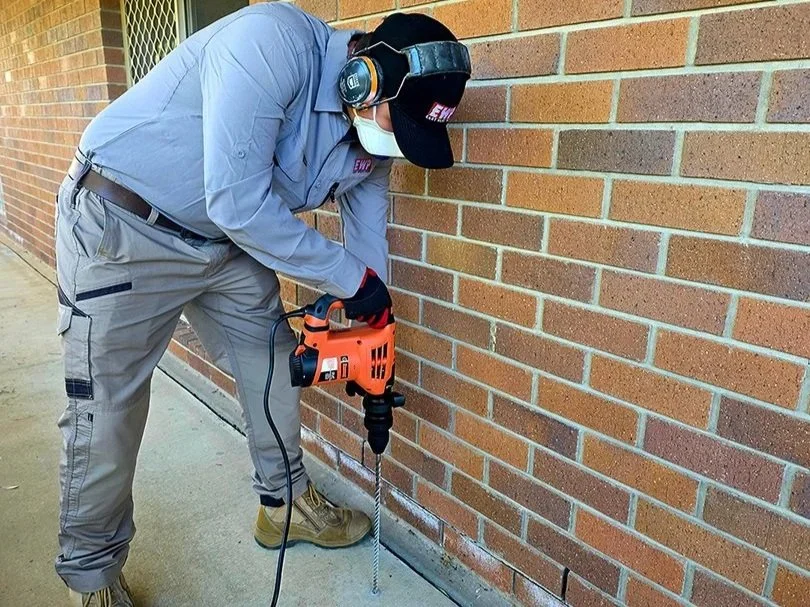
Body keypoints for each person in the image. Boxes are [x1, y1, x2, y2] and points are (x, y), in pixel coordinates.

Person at [54, 3, 470, 605]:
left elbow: (366, 242)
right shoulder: (270, 43)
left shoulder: (374, 144)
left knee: (273, 361)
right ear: (364, 75)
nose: (395, 142)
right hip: (125, 222)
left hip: (224, 243)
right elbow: (238, 201)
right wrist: (350, 277)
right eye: (398, 120)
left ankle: (285, 505)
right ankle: (91, 576)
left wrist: (363, 300)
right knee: (106, 405)